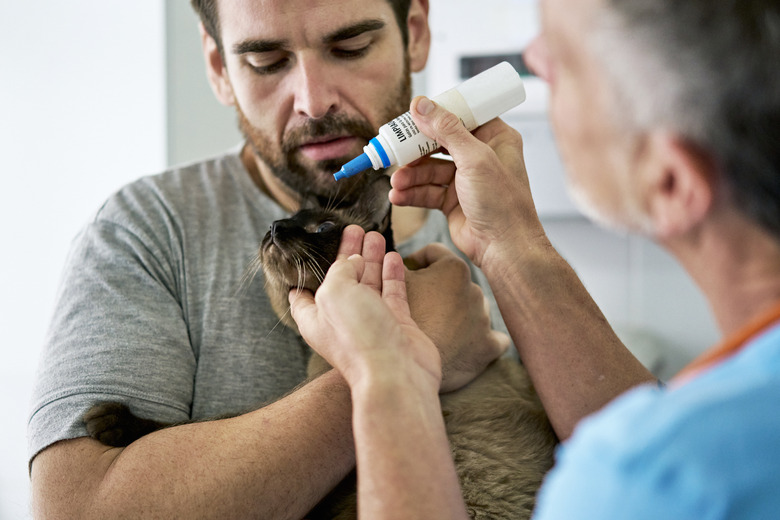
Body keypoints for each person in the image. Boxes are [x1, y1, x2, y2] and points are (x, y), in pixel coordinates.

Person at [290, 0, 780, 517]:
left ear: (672, 181)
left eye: (567, 63)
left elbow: (660, 469)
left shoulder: (640, 482)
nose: (532, 57)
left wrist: (386, 371)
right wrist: (507, 240)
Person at [28, 1, 510, 518]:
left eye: (350, 48)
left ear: (414, 32)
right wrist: (403, 360)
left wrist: (520, 251)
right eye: (267, 62)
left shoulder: (487, 215)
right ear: (218, 68)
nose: (314, 102)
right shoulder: (144, 228)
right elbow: (75, 507)